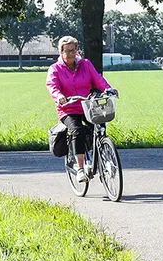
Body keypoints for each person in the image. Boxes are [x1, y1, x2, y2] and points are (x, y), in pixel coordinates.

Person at [45, 36, 116, 183]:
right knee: (77, 130)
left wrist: (108, 89)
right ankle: (81, 168)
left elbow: (97, 79)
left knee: (99, 126)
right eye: (68, 50)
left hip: (86, 105)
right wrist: (59, 96)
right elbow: (52, 86)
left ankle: (102, 156)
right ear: (61, 51)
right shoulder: (55, 69)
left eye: (74, 50)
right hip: (68, 108)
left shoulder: (86, 64)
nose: (71, 53)